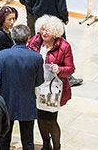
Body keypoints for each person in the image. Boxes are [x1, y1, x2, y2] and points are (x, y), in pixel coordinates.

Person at [0, 24, 43, 150]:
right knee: (28, 141)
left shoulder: (2, 55)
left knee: (4, 139)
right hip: (27, 102)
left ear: (13, 38)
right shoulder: (36, 57)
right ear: (28, 38)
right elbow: (39, 81)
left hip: (6, 102)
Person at [27, 16, 74, 150]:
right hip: (37, 87)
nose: (44, 33)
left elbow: (70, 69)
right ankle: (45, 144)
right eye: (42, 29)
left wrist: (59, 69)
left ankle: (56, 147)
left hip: (53, 89)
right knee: (40, 117)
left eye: (47, 30)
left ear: (55, 32)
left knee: (51, 119)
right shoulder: (35, 41)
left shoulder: (64, 46)